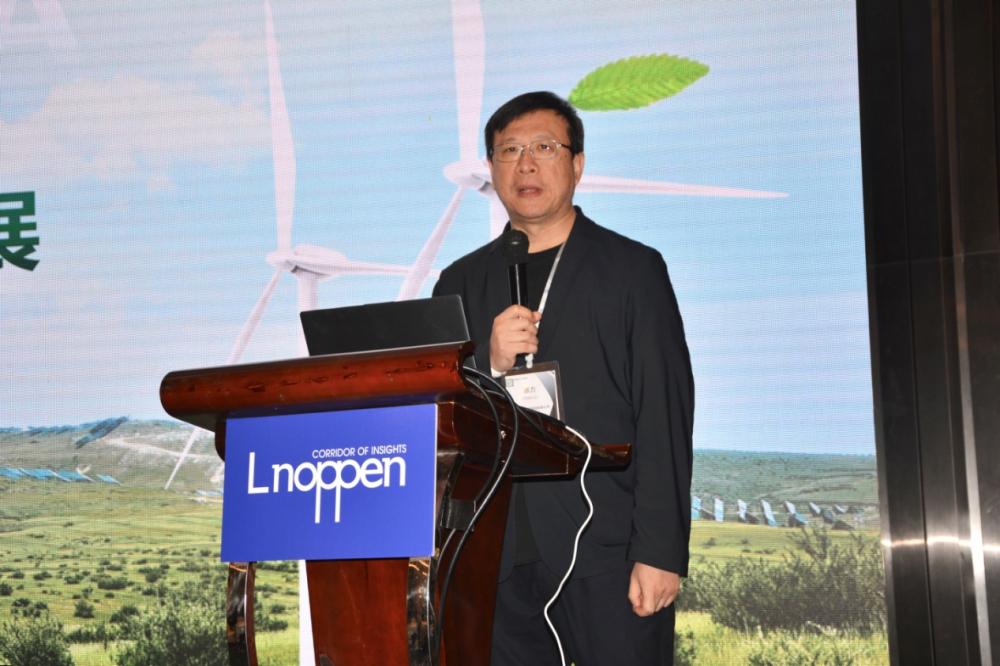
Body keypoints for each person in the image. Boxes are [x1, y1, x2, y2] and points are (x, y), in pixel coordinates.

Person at [433, 91, 694, 665]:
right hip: (491, 551)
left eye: (544, 148)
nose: (525, 164)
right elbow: (441, 414)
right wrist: (487, 365)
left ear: (577, 164)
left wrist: (661, 551)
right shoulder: (460, 281)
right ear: (492, 168)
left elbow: (664, 413)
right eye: (509, 151)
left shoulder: (632, 270)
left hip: (606, 546)